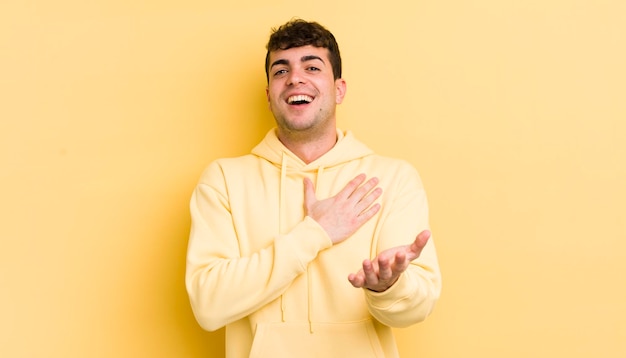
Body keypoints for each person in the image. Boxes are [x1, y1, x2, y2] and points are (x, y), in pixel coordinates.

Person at [186, 19, 441, 358]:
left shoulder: (392, 178)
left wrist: (389, 287)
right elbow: (208, 305)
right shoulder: (223, 180)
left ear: (339, 89)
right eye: (280, 71)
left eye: (312, 66)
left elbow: (416, 309)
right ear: (268, 95)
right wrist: (316, 232)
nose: (295, 78)